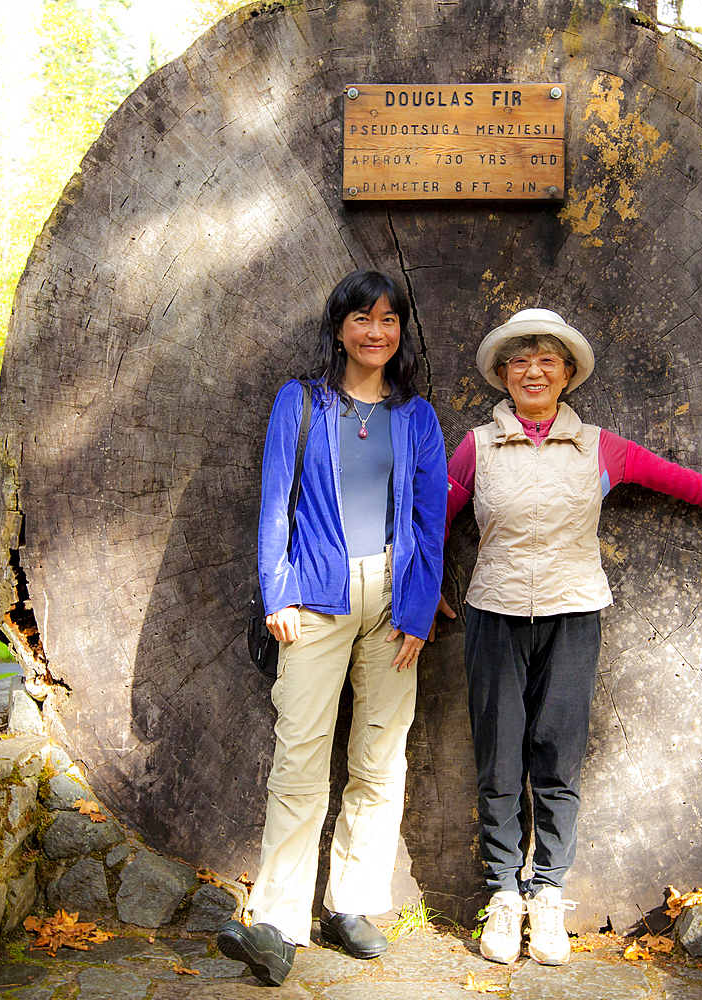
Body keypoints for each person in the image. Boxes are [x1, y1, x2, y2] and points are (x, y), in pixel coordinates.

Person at [442, 308, 702, 967]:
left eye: (547, 359)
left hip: (573, 615)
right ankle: (502, 896)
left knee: (556, 756)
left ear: (568, 374)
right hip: (493, 614)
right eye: (519, 361)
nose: (533, 370)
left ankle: (546, 895)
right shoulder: (476, 445)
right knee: (498, 758)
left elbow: (669, 477)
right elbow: (438, 512)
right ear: (502, 376)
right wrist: (425, 581)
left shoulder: (601, 447)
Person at [217, 270, 447, 986]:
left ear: (400, 331)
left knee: (379, 759)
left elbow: (430, 520)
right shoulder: (302, 401)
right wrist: (276, 592)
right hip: (314, 596)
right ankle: (279, 923)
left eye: (388, 320)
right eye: (362, 318)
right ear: (340, 327)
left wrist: (417, 607)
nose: (376, 331)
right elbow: (274, 504)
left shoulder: (418, 418)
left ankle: (351, 905)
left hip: (392, 595)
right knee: (300, 758)